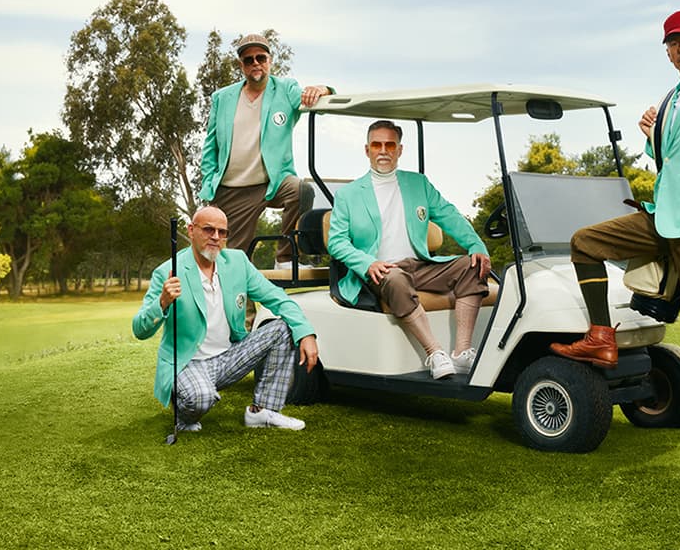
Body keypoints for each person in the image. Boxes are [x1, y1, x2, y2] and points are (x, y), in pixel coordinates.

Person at [550, 10, 680, 457]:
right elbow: (677, 161)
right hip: (662, 218)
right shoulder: (671, 98)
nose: (679, 48)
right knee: (585, 242)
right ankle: (602, 338)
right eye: (671, 43)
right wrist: (652, 136)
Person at [326, 120, 493, 379]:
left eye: (389, 144)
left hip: (420, 265)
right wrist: (366, 263)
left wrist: (476, 245)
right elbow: (337, 242)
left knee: (472, 265)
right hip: (379, 270)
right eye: (376, 144)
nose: (383, 150)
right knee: (394, 278)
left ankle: (461, 353)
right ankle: (434, 351)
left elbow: (450, 215)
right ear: (367, 149)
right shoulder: (348, 194)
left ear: (399, 150)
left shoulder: (418, 184)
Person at [132, 206, 321, 431]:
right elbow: (140, 329)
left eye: (222, 232)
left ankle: (263, 412)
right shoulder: (167, 272)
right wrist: (162, 302)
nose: (216, 237)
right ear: (191, 231)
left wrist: (306, 333)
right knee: (199, 399)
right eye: (208, 230)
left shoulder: (238, 262)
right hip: (189, 362)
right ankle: (184, 411)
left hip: (230, 357)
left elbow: (277, 297)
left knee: (283, 328)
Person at [199, 32, 334, 270]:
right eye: (249, 60)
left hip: (272, 183)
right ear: (241, 65)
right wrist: (209, 185)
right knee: (231, 265)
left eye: (260, 57)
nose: (255, 64)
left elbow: (318, 106)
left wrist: (324, 89)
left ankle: (285, 258)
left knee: (301, 190)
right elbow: (210, 147)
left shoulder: (286, 89)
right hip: (233, 190)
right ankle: (243, 307)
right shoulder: (223, 98)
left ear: (270, 60)